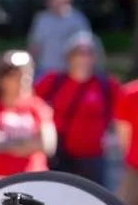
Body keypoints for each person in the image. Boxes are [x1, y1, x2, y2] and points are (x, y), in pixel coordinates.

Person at [35, 31, 119, 186]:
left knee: (93, 196)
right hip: (59, 154)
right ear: (68, 56)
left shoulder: (106, 85)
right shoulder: (53, 81)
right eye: (78, 53)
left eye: (88, 53)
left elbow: (120, 115)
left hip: (93, 155)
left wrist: (113, 137)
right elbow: (31, 103)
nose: (83, 58)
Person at [0, 50, 56, 191]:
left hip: (32, 179)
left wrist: (6, 143)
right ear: (1, 79)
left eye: (27, 74)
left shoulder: (38, 106)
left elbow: (47, 144)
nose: (22, 80)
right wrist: (27, 144)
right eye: (15, 75)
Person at [28, 0, 91, 76]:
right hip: (45, 70)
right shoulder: (41, 19)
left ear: (67, 0)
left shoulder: (78, 19)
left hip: (70, 71)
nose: (53, 1)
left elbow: (84, 47)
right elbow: (35, 45)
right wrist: (30, 66)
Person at [114, 78, 138, 205]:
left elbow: (123, 134)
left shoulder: (129, 92)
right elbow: (123, 133)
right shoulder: (130, 93)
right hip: (135, 169)